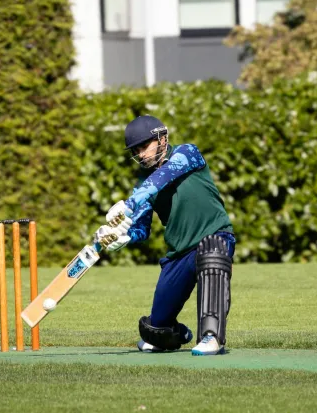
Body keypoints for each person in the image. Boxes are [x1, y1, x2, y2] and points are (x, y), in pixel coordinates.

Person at [93, 115, 235, 356]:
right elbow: (142, 228)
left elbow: (164, 176)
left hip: (215, 236)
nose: (141, 154)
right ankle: (181, 334)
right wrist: (125, 237)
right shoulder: (144, 185)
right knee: (154, 330)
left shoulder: (187, 153)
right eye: (136, 151)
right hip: (179, 254)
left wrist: (130, 203)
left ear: (162, 138)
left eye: (144, 146)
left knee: (212, 251)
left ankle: (211, 336)